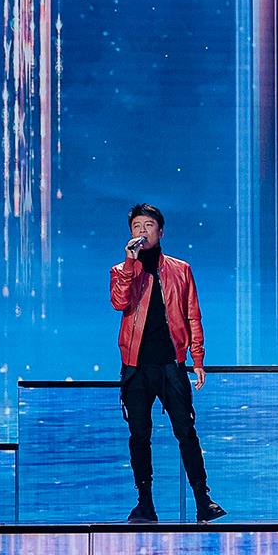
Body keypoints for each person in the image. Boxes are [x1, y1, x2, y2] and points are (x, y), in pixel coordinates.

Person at [110, 203, 225, 523]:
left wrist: (198, 358)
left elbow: (192, 315)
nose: (142, 231)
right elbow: (119, 301)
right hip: (135, 367)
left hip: (171, 365)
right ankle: (145, 503)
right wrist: (130, 263)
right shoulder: (121, 271)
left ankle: (203, 500)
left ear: (160, 232)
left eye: (148, 226)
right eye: (136, 227)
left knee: (186, 431)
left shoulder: (180, 269)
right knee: (139, 435)